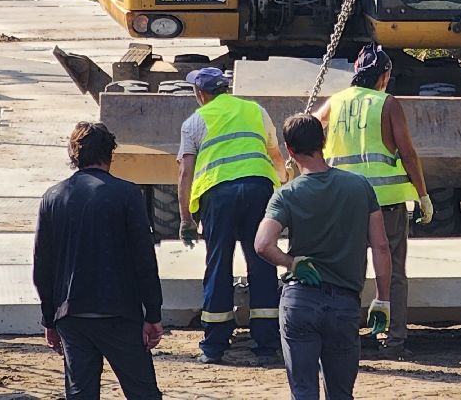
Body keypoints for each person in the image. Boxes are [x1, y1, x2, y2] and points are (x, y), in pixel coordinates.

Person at [255, 114, 393, 400]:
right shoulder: (360, 187)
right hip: (344, 305)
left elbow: (263, 244)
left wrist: (291, 263)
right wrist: (383, 299)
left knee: (304, 392)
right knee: (341, 393)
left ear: (289, 150)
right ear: (324, 141)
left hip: (301, 302)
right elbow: (380, 246)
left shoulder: (286, 195)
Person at [314, 40, 432, 358]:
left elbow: (308, 131)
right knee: (391, 272)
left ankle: (343, 336)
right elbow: (407, 152)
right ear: (384, 76)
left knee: (344, 270)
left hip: (341, 201)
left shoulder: (335, 102)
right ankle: (392, 340)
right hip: (386, 201)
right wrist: (423, 195)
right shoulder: (387, 103)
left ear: (355, 72)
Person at [33, 121, 164, 400]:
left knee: (81, 394)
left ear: (74, 155)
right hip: (120, 313)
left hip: (72, 314)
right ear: (110, 154)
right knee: (143, 393)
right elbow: (144, 259)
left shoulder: (53, 197)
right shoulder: (127, 194)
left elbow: (42, 265)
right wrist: (153, 314)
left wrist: (49, 318)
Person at [177, 66, 286, 365]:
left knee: (218, 266)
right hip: (258, 189)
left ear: (200, 94)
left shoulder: (194, 122)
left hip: (218, 196)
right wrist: (285, 180)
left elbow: (186, 171)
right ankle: (265, 345)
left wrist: (185, 218)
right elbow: (275, 154)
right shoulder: (255, 111)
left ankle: (214, 346)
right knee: (263, 263)